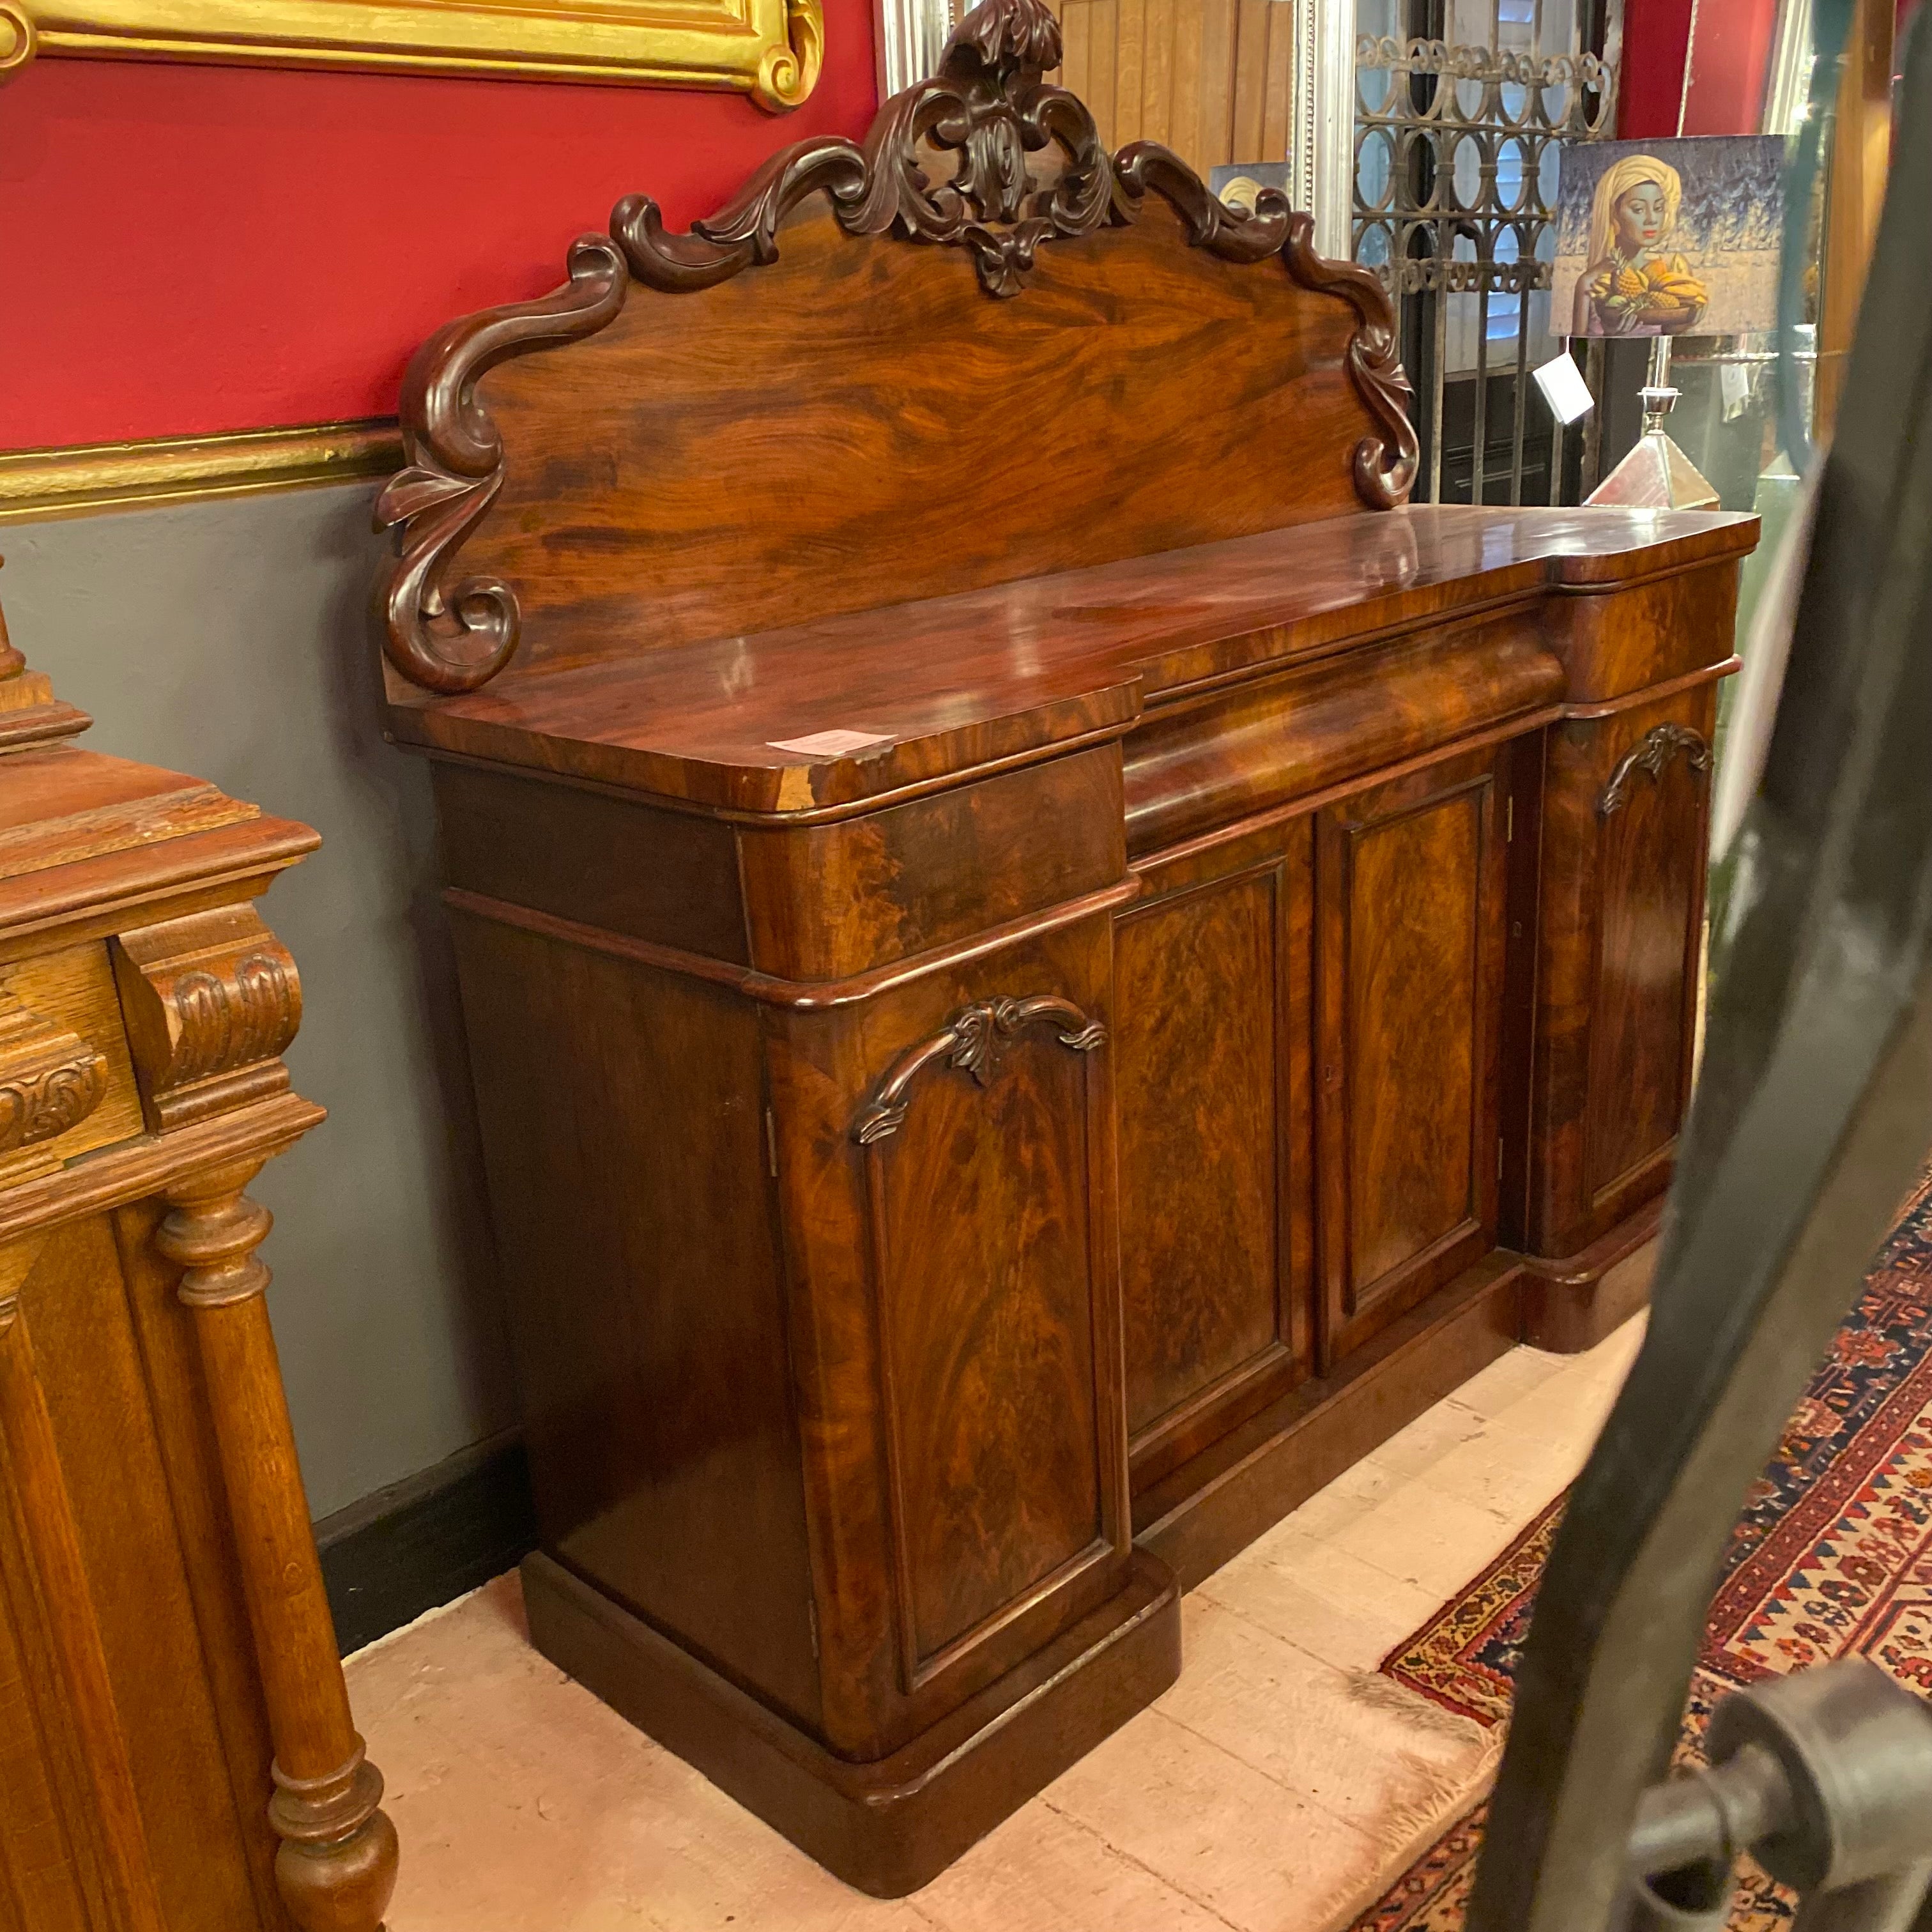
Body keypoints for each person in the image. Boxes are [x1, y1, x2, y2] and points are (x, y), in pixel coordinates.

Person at [1571, 154, 1708, 335]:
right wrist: (1611, 336)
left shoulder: (1671, 273)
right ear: (1614, 214)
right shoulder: (1592, 281)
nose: (1651, 220)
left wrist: (1678, 327)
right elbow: (1574, 353)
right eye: (1638, 209)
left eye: (1658, 208)